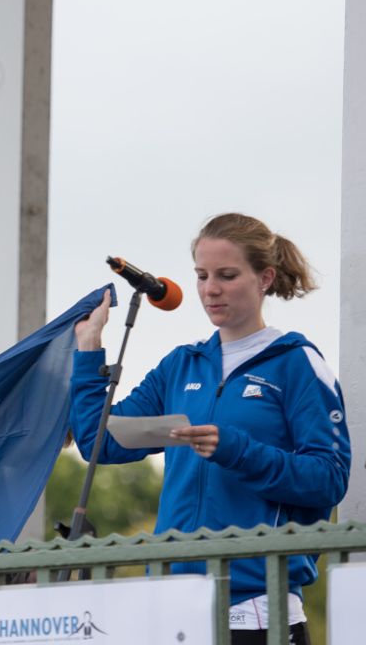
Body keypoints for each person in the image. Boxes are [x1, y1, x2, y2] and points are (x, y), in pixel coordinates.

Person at [70, 213, 351, 645]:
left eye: (227, 275)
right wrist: (89, 350)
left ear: (265, 278)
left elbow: (329, 479)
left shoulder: (297, 362)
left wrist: (236, 449)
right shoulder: (180, 365)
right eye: (201, 275)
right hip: (176, 607)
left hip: (259, 609)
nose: (210, 289)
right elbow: (98, 443)